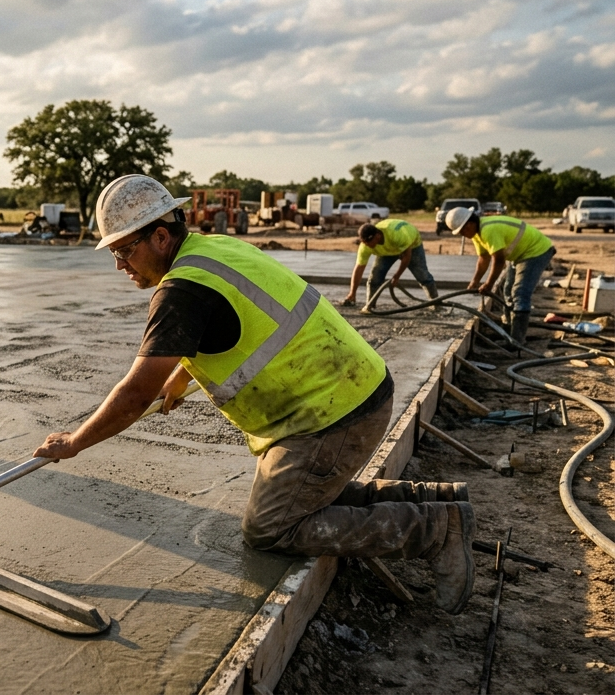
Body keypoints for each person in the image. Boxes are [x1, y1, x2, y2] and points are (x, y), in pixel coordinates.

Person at [33, 175, 476, 613]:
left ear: (161, 237)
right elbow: (231, 321)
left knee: (272, 527)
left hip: (330, 418)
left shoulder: (180, 292)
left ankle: (434, 532)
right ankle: (438, 501)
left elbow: (134, 394)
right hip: (354, 390)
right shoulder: (214, 249)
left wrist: (74, 442)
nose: (119, 265)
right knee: (307, 495)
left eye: (123, 250)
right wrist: (183, 374)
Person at [443, 207, 555, 344]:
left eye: (462, 231)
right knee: (508, 290)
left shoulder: (488, 230)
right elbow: (484, 259)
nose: (463, 235)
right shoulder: (477, 233)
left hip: (536, 252)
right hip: (521, 255)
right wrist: (475, 281)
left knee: (520, 293)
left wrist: (489, 284)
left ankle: (517, 340)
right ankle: (507, 331)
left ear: (469, 223)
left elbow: (499, 260)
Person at [342, 219, 438, 310]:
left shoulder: (397, 235)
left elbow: (406, 257)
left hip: (411, 245)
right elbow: (359, 268)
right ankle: (370, 305)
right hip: (387, 251)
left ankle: (436, 304)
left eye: (369, 243)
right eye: (365, 243)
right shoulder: (365, 246)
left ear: (377, 236)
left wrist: (396, 277)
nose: (368, 246)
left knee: (422, 275)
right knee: (375, 277)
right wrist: (352, 293)